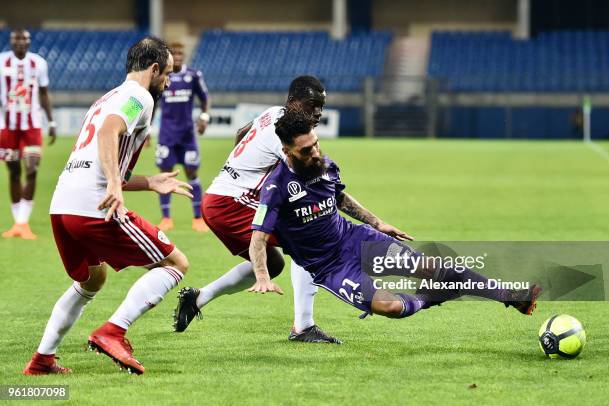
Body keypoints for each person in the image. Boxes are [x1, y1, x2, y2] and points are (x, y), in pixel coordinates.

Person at [247, 107, 541, 324]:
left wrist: (376, 222)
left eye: (316, 143)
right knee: (391, 308)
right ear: (287, 151)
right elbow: (258, 238)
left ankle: (511, 296)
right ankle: (431, 297)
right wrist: (262, 275)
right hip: (329, 267)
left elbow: (337, 197)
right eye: (306, 150)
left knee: (431, 267)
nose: (315, 152)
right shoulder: (276, 187)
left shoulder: (325, 165)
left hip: (356, 239)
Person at [23, 36, 193, 376]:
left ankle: (42, 360)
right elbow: (109, 133)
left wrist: (149, 182)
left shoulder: (107, 98)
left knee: (92, 280)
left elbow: (102, 156)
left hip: (63, 206)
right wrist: (115, 185)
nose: (169, 82)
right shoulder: (138, 97)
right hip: (93, 206)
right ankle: (113, 331)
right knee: (175, 263)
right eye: (167, 74)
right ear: (154, 68)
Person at [173, 76, 341, 343]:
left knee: (272, 264)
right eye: (312, 105)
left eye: (321, 105)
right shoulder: (284, 136)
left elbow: (241, 132)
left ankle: (198, 298)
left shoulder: (274, 113)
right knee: (307, 237)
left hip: (220, 199)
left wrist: (240, 171)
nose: (318, 111)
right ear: (293, 103)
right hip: (231, 203)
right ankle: (304, 327)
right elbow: (316, 179)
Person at [0, 29, 56, 239]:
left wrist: (51, 121)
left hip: (32, 126)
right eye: (17, 39)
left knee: (31, 169)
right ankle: (17, 223)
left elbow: (44, 93)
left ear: (29, 42)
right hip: (7, 126)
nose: (21, 42)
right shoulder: (1, 62)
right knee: (14, 172)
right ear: (11, 42)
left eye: (24, 39)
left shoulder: (39, 63)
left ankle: (23, 223)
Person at [156, 42, 210, 232]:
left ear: (184, 55)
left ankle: (198, 218)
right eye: (174, 53)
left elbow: (205, 98)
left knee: (192, 173)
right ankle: (166, 218)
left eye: (180, 52)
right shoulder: (161, 76)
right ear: (168, 55)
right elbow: (153, 102)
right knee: (165, 175)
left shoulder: (194, 75)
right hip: (166, 135)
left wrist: (204, 117)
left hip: (188, 135)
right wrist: (144, 130)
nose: (177, 56)